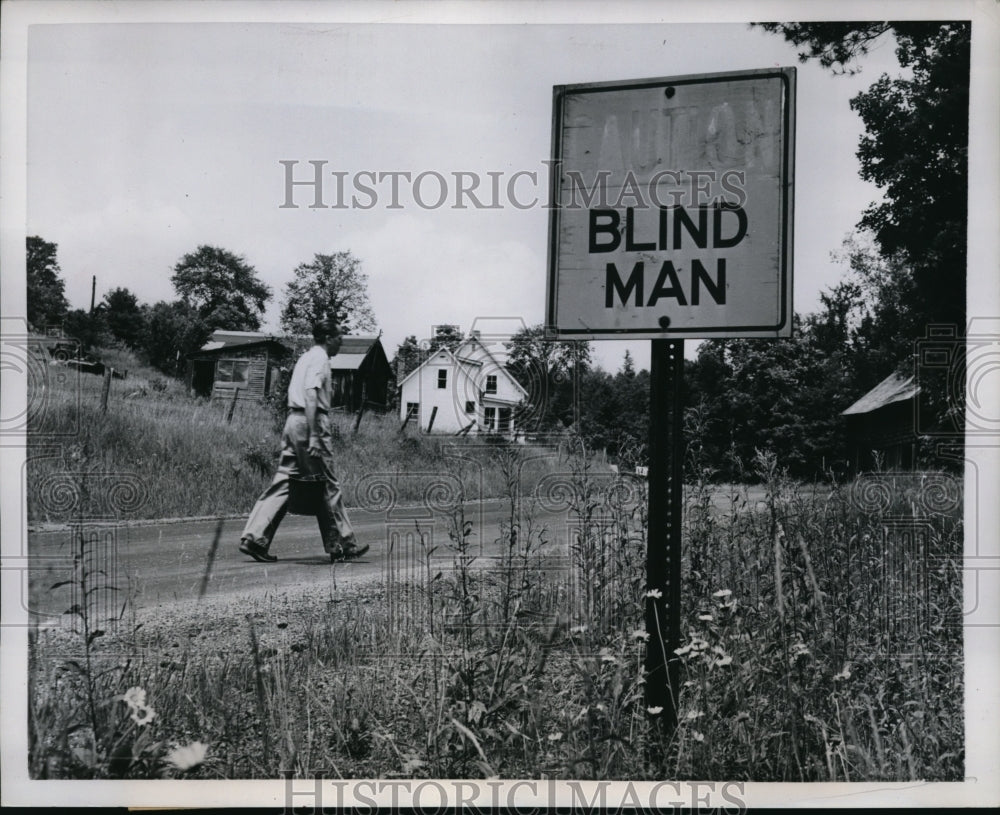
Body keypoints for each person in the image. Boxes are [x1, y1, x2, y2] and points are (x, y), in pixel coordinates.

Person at [238, 317, 368, 563]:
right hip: (311, 420)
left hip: (293, 421)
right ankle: (343, 544)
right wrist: (315, 435)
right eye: (339, 337)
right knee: (328, 484)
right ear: (328, 338)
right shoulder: (320, 359)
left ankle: (254, 537)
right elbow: (311, 393)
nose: (341, 342)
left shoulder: (305, 357)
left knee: (285, 481)